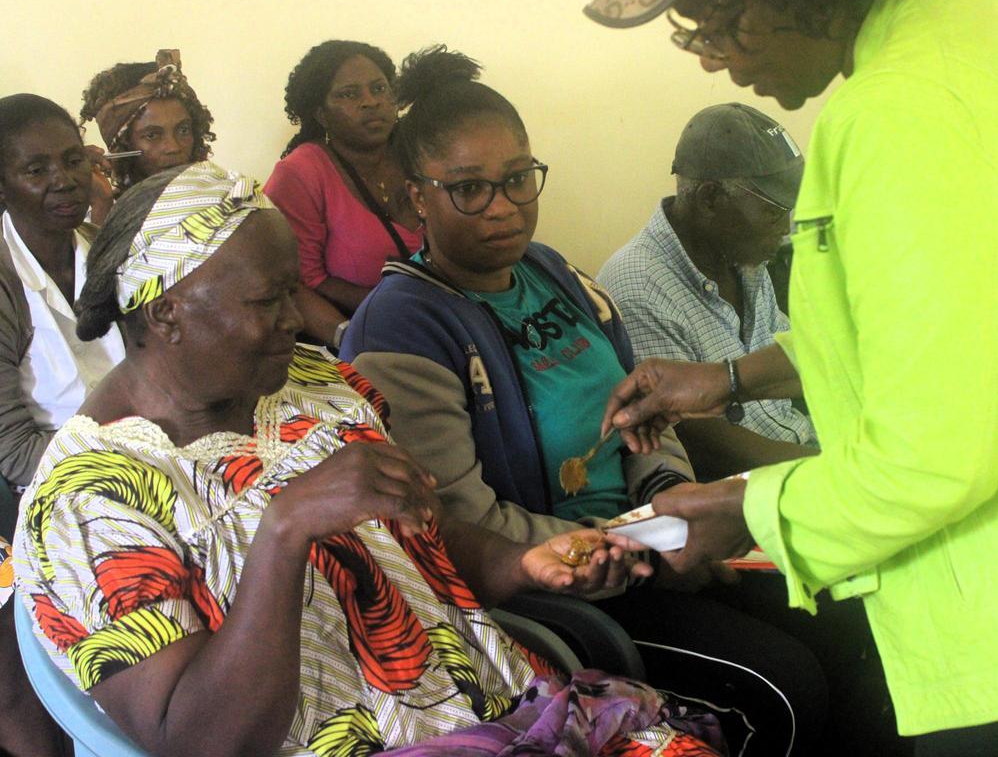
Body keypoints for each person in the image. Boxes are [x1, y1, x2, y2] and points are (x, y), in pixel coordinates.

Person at [586, 0, 998, 754]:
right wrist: (733, 377)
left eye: (727, 20)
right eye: (696, 32)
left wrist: (748, 512)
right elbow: (949, 319)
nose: (712, 58)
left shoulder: (898, 113)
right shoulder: (993, 22)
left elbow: (932, 458)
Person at [10, 161, 724, 757]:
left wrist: (521, 563)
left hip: (506, 714)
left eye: (293, 290)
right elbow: (198, 741)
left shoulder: (307, 383)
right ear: (165, 311)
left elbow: (418, 536)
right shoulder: (90, 498)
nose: (297, 318)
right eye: (268, 300)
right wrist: (285, 529)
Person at [341, 45, 828, 756]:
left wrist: (670, 497)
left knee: (842, 617)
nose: (504, 207)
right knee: (784, 687)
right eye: (470, 189)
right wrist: (638, 546)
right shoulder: (402, 326)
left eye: (518, 179)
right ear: (416, 195)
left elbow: (644, 412)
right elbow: (462, 525)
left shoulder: (552, 273)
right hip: (559, 593)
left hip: (650, 543)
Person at [0, 93, 126, 756]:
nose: (64, 181)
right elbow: (13, 449)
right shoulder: (5, 279)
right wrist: (129, 455)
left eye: (73, 160)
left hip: (121, 461)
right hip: (25, 488)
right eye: (36, 169)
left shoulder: (101, 250)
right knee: (14, 666)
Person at [598, 102, 817, 481]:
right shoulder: (638, 287)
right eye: (774, 212)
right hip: (750, 485)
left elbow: (797, 367)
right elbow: (703, 447)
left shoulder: (743, 256)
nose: (786, 228)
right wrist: (833, 472)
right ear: (710, 198)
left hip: (805, 451)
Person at [265, 40, 424, 350]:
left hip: (442, 322)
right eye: (349, 94)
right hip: (354, 338)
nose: (370, 102)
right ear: (321, 114)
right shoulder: (300, 173)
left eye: (379, 89)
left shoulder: (419, 155)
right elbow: (297, 281)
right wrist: (354, 336)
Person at [79, 49, 215, 225]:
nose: (173, 147)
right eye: (152, 135)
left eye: (183, 130)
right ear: (122, 145)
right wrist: (102, 205)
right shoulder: (93, 215)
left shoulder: (228, 197)